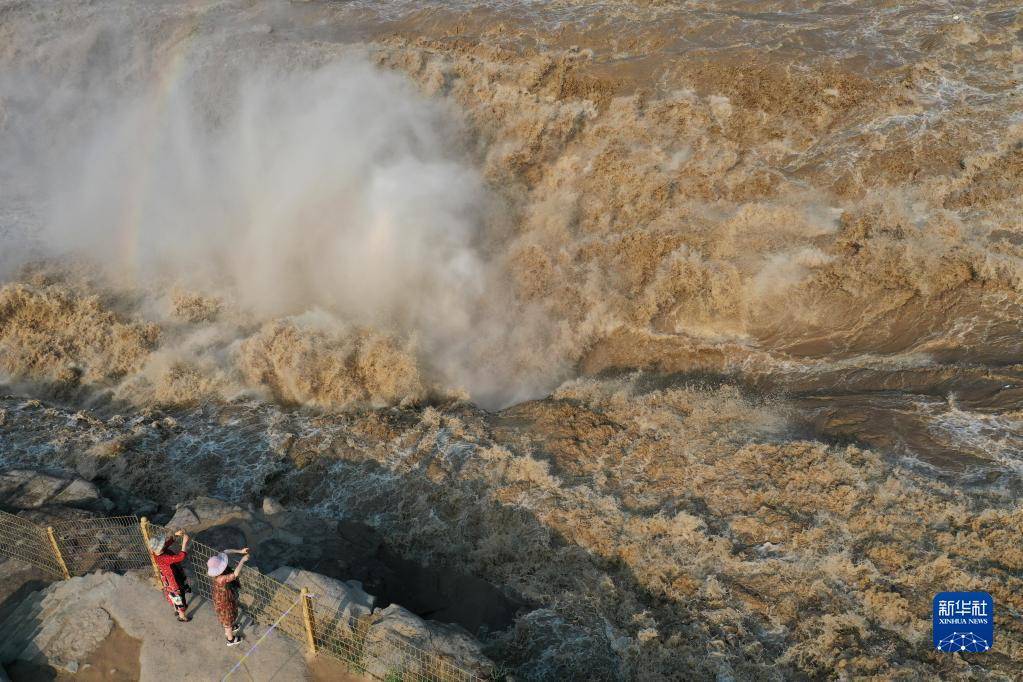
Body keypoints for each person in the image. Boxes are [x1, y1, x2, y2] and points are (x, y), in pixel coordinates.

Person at [208, 547, 250, 646]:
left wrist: (240, 551)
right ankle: (230, 639)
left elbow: (225, 551)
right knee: (227, 619)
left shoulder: (216, 575)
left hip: (221, 599)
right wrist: (242, 560)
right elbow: (235, 574)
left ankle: (230, 627)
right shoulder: (221, 578)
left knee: (228, 617)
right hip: (224, 602)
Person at [148, 529, 192, 622]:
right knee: (179, 596)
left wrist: (175, 535)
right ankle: (182, 616)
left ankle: (176, 609)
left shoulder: (155, 552)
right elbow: (180, 557)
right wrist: (184, 543)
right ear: (160, 548)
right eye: (163, 543)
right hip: (173, 580)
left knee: (173, 594)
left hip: (167, 578)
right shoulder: (164, 557)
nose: (164, 543)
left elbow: (168, 542)